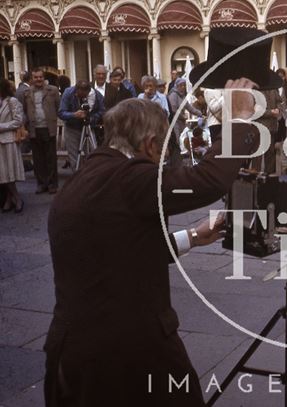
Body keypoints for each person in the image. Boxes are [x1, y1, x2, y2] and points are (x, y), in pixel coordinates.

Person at [45, 24, 272, 406]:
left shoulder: (90, 174)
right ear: (151, 144)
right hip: (129, 352)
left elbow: (118, 248)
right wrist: (238, 121)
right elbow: (209, 180)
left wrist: (192, 237)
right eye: (163, 148)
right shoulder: (130, 177)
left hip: (73, 353)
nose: (165, 158)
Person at [23, 68, 61, 194]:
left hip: (48, 128)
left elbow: (58, 107)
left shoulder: (53, 90)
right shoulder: (27, 92)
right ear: (32, 79)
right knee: (38, 159)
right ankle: (41, 184)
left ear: (43, 78)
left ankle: (52, 184)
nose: (38, 79)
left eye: (40, 77)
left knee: (50, 158)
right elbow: (24, 110)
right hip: (34, 129)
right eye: (36, 77)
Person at [58, 80, 105, 171]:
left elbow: (102, 111)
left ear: (88, 92)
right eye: (79, 95)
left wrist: (92, 118)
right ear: (76, 89)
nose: (79, 97)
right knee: (74, 157)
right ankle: (77, 177)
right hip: (72, 128)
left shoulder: (96, 95)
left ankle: (93, 176)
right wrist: (74, 115)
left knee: (92, 154)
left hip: (88, 127)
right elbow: (61, 113)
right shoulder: (68, 93)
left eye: (84, 96)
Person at [0, 78, 25, 213]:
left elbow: (18, 121)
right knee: (3, 174)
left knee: (10, 172)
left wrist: (1, 127)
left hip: (9, 141)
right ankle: (11, 199)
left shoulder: (12, 101)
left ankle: (16, 198)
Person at [167, 77, 203, 166]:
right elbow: (173, 109)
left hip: (181, 122)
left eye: (184, 85)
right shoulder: (173, 95)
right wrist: (182, 116)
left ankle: (182, 159)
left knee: (183, 139)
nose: (183, 87)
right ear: (177, 86)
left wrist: (200, 114)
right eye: (181, 85)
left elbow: (190, 108)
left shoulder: (182, 96)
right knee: (177, 140)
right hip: (174, 122)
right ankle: (175, 161)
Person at [255, 88, 281, 173]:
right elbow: (255, 110)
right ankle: (254, 179)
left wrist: (278, 109)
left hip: (272, 126)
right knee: (257, 155)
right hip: (260, 126)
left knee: (270, 154)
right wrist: (271, 112)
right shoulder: (256, 90)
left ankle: (268, 179)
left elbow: (280, 101)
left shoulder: (273, 89)